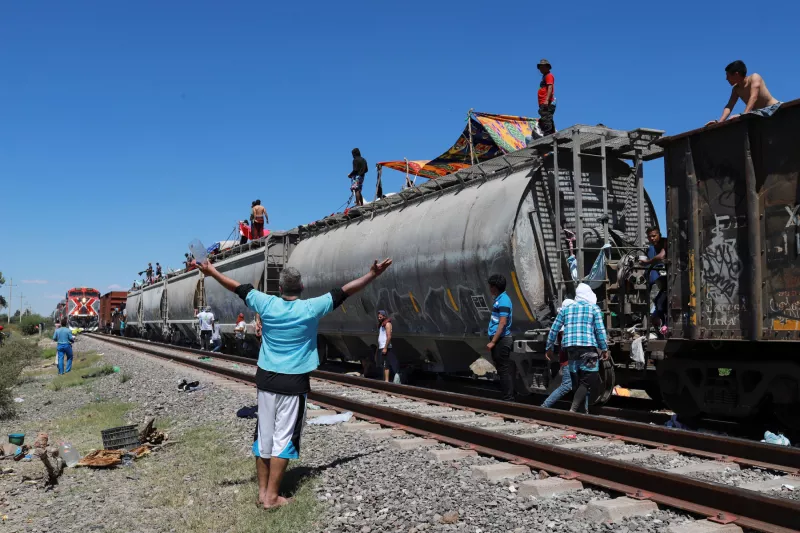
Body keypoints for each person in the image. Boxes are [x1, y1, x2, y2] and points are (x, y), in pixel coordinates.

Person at [194, 256, 392, 510]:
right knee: (284, 439)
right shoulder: (311, 308)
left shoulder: (265, 303)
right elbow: (345, 291)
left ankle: (263, 492)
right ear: (301, 288)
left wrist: (211, 271)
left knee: (264, 436)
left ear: (279, 288)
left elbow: (236, 287)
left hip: (266, 380)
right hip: (293, 383)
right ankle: (272, 498)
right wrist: (372, 274)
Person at [545, 283, 609, 413]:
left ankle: (583, 413)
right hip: (588, 349)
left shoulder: (566, 309)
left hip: (571, 350)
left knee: (578, 382)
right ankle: (573, 410)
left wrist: (549, 347)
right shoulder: (594, 309)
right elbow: (600, 331)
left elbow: (554, 329)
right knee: (590, 378)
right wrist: (604, 348)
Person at [708, 60, 781, 125]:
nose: (726, 79)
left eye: (728, 76)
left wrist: (743, 115)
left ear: (736, 74)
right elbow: (730, 105)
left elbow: (753, 97)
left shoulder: (754, 77)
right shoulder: (736, 89)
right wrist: (720, 122)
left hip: (775, 109)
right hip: (759, 114)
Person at [486, 274, 514, 401]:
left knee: (503, 370)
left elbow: (502, 323)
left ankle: (508, 400)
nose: (489, 289)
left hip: (502, 340)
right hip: (500, 339)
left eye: (490, 287)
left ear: (495, 287)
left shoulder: (503, 300)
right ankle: (507, 397)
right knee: (502, 369)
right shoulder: (500, 299)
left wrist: (493, 341)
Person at [640, 227, 668, 334]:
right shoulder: (653, 247)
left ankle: (666, 324)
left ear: (659, 235)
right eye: (650, 236)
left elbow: (661, 256)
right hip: (665, 280)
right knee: (658, 302)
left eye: (654, 235)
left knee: (661, 302)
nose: (652, 238)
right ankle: (664, 325)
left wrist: (647, 262)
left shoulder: (665, 242)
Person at [376, 310, 399, 383]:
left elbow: (389, 336)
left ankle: (387, 380)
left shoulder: (387, 324)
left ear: (384, 316)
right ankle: (385, 379)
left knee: (387, 363)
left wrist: (385, 347)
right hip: (382, 347)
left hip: (386, 347)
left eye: (380, 317)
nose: (379, 318)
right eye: (378, 317)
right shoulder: (381, 325)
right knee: (384, 363)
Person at [537, 59, 556, 136]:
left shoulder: (549, 76)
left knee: (546, 117)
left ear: (547, 67)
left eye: (543, 66)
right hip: (543, 101)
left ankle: (548, 135)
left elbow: (550, 87)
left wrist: (547, 100)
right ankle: (551, 133)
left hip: (546, 101)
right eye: (540, 67)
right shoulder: (545, 76)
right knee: (547, 117)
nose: (541, 69)